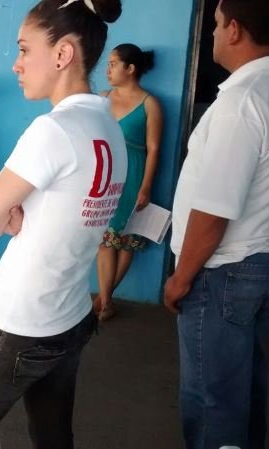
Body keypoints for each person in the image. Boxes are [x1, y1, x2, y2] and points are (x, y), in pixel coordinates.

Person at [0, 0, 125, 448]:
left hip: (24, 323)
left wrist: (0, 212)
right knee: (53, 438)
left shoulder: (53, 130)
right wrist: (21, 217)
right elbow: (69, 216)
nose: (16, 64)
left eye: (24, 49)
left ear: (62, 54)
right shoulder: (107, 124)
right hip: (70, 314)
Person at [163, 1, 269, 448]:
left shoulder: (244, 99)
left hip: (224, 271)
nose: (213, 34)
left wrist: (181, 277)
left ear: (234, 30)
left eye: (216, 25)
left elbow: (214, 209)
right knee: (243, 389)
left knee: (210, 400)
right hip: (266, 263)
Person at [94, 43, 163, 321]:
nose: (108, 70)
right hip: (104, 175)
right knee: (104, 240)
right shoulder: (102, 99)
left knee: (124, 241)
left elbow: (154, 149)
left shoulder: (149, 104)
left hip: (132, 175)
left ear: (130, 68)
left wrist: (146, 186)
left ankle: (103, 300)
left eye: (113, 64)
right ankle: (106, 301)